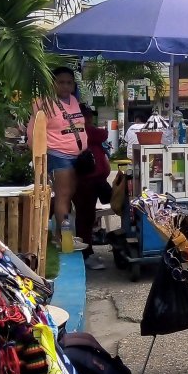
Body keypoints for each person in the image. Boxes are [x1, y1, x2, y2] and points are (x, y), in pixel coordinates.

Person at [28, 67, 87, 251]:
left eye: (69, 82)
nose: (65, 86)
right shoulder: (43, 103)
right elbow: (33, 133)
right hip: (58, 156)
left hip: (77, 158)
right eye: (61, 82)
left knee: (67, 197)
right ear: (52, 83)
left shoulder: (74, 101)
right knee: (62, 198)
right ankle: (67, 241)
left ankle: (58, 236)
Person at [75, 104, 112, 270]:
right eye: (86, 115)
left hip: (96, 180)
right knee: (85, 217)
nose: (89, 119)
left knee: (89, 217)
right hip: (86, 181)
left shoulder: (87, 130)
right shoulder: (83, 131)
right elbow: (103, 134)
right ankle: (85, 253)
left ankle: (88, 247)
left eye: (90, 115)